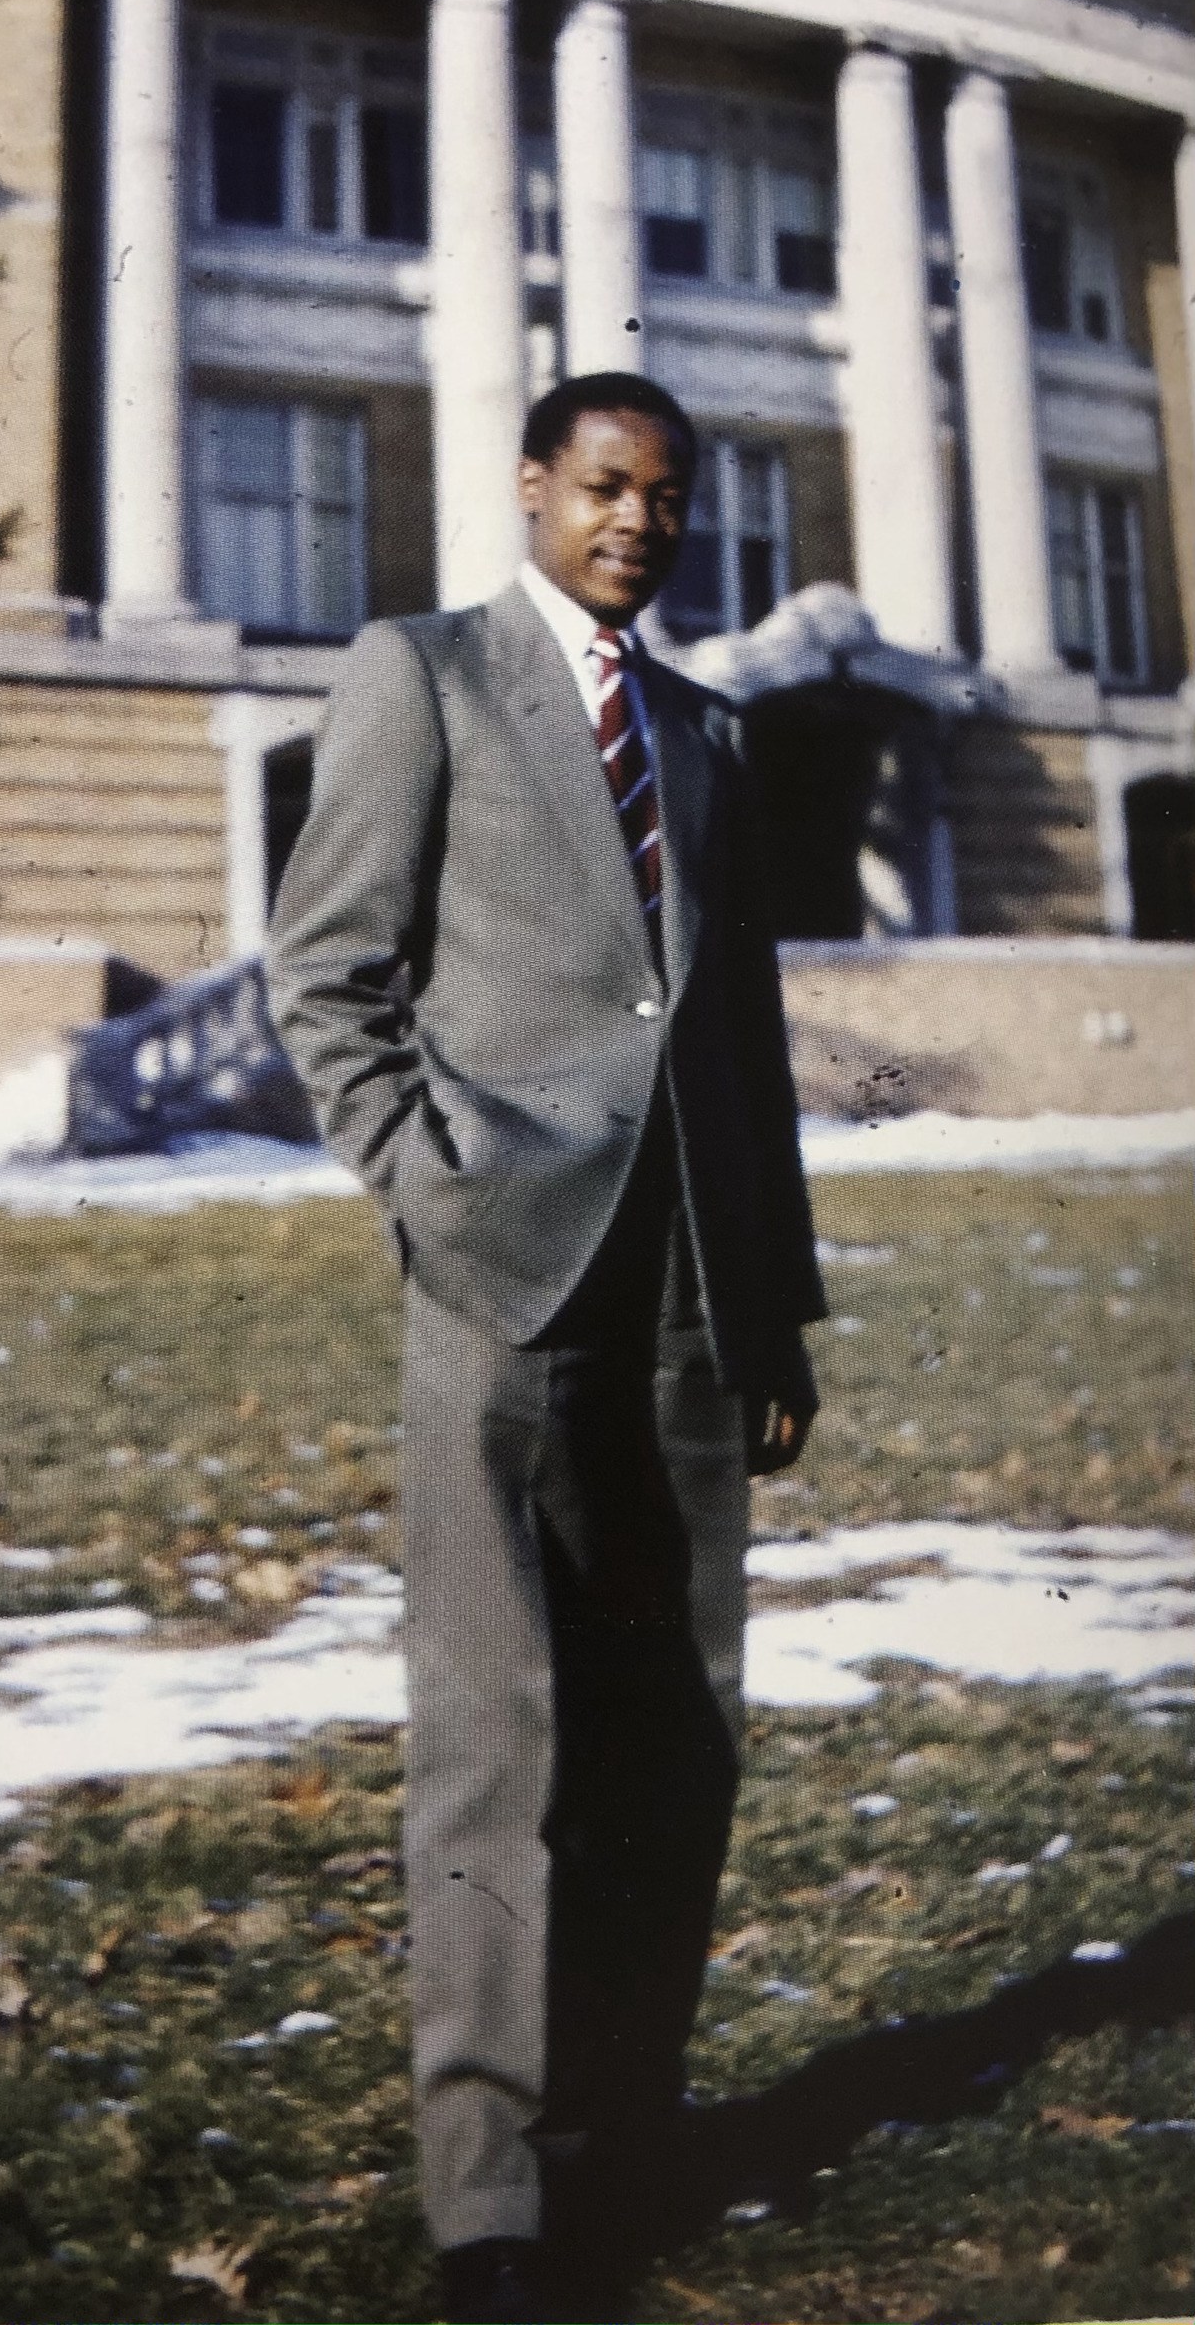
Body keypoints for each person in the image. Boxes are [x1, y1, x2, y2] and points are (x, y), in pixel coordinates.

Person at [265, 371, 825, 2322]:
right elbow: (326, 970)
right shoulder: (418, 672)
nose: (640, 525)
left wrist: (772, 1304)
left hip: (683, 1295)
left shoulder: (707, 725)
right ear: (532, 486)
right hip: (500, 1279)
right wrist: (431, 1186)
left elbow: (735, 1032)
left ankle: (624, 2123)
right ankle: (489, 2191)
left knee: (673, 1726)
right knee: (497, 1738)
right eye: (606, 487)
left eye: (669, 497)